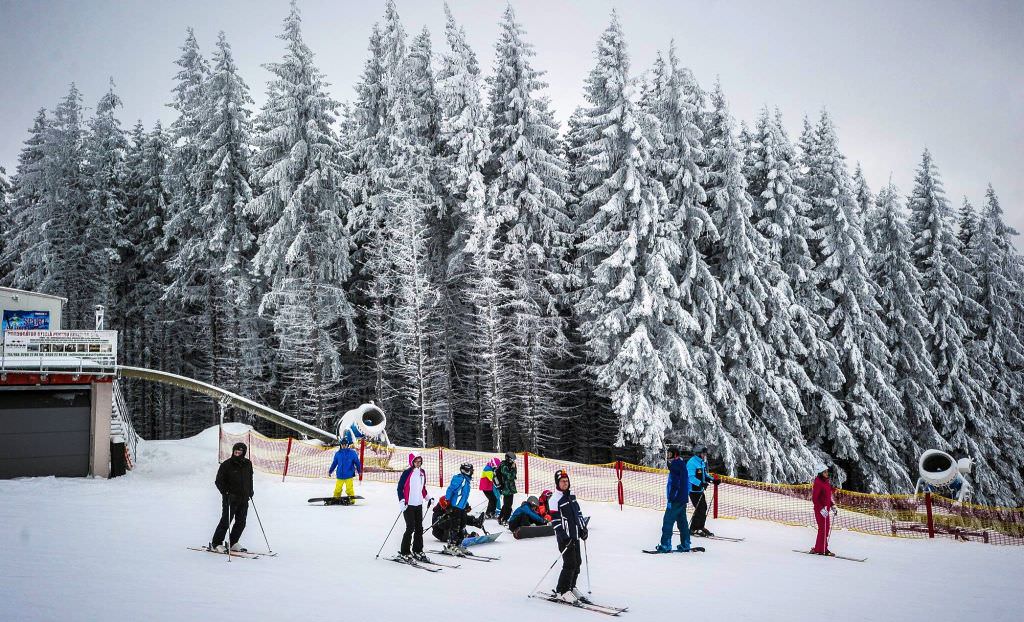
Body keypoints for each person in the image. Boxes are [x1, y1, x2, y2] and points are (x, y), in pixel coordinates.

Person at [550, 469, 589, 604]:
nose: (565, 483)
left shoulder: (571, 496)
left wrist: (583, 528)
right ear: (557, 483)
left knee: (577, 562)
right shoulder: (555, 499)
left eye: (566, 481)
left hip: (575, 535)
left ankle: (571, 587)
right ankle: (562, 590)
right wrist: (564, 537)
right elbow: (555, 522)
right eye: (562, 481)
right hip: (565, 538)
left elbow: (578, 513)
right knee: (570, 563)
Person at [655, 446, 703, 553]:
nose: (668, 456)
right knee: (682, 522)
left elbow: (675, 484)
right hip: (682, 498)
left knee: (668, 520)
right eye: (668, 454)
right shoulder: (682, 464)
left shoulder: (675, 465)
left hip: (676, 499)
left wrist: (671, 498)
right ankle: (685, 543)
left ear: (676, 454)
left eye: (671, 454)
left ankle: (665, 545)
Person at [210, 442, 254, 552]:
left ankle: (233, 542)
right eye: (236, 451)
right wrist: (226, 493)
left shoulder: (248, 464)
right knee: (226, 521)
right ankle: (216, 543)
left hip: (244, 498)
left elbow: (250, 479)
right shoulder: (226, 465)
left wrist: (250, 490)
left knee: (241, 522)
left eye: (240, 452)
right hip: (230, 498)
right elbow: (218, 481)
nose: (237, 453)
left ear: (244, 453)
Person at [396, 453, 433, 561]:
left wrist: (428, 498)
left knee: (419, 528)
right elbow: (400, 488)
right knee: (410, 527)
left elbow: (423, 488)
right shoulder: (407, 473)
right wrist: (402, 501)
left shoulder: (422, 472)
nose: (418, 463)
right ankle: (405, 551)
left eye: (420, 461)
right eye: (416, 461)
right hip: (408, 505)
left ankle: (417, 550)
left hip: (418, 504)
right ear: (412, 461)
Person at [444, 462, 474, 555]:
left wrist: (466, 504)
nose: (472, 472)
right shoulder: (459, 479)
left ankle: (458, 544)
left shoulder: (466, 480)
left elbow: (463, 495)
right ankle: (451, 545)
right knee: (455, 526)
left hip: (461, 507)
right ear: (465, 470)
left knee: (462, 525)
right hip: (455, 506)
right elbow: (450, 490)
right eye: (470, 470)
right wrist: (447, 502)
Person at [687, 445, 715, 536]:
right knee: (700, 509)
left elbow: (704, 474)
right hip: (693, 490)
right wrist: (700, 483)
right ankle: (694, 528)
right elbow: (690, 477)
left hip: (699, 490)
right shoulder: (692, 462)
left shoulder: (701, 462)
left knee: (703, 508)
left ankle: (700, 526)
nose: (705, 455)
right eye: (703, 453)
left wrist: (713, 480)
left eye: (705, 454)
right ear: (698, 454)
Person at [810, 461, 836, 556]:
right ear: (820, 473)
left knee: (825, 529)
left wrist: (832, 505)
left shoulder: (826, 482)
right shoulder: (818, 483)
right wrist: (821, 509)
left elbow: (826, 497)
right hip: (820, 510)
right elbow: (815, 498)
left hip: (826, 510)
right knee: (823, 529)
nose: (826, 473)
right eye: (824, 472)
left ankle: (819, 548)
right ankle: (822, 549)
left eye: (827, 472)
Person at [328, 438, 363, 502]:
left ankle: (351, 500)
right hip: (340, 474)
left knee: (349, 489)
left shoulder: (352, 453)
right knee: (337, 489)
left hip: (349, 474)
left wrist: (359, 471)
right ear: (341, 445)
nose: (344, 445)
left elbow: (357, 463)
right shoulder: (338, 454)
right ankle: (336, 498)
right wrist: (330, 471)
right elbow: (334, 463)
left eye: (345, 444)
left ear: (348, 445)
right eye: (342, 444)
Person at [495, 451, 518, 525]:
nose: (513, 461)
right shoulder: (504, 465)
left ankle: (502, 518)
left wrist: (513, 469)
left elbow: (514, 475)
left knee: (507, 504)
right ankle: (504, 519)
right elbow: (510, 476)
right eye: (512, 459)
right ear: (508, 458)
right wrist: (513, 469)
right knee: (507, 505)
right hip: (506, 488)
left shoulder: (509, 465)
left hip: (510, 488)